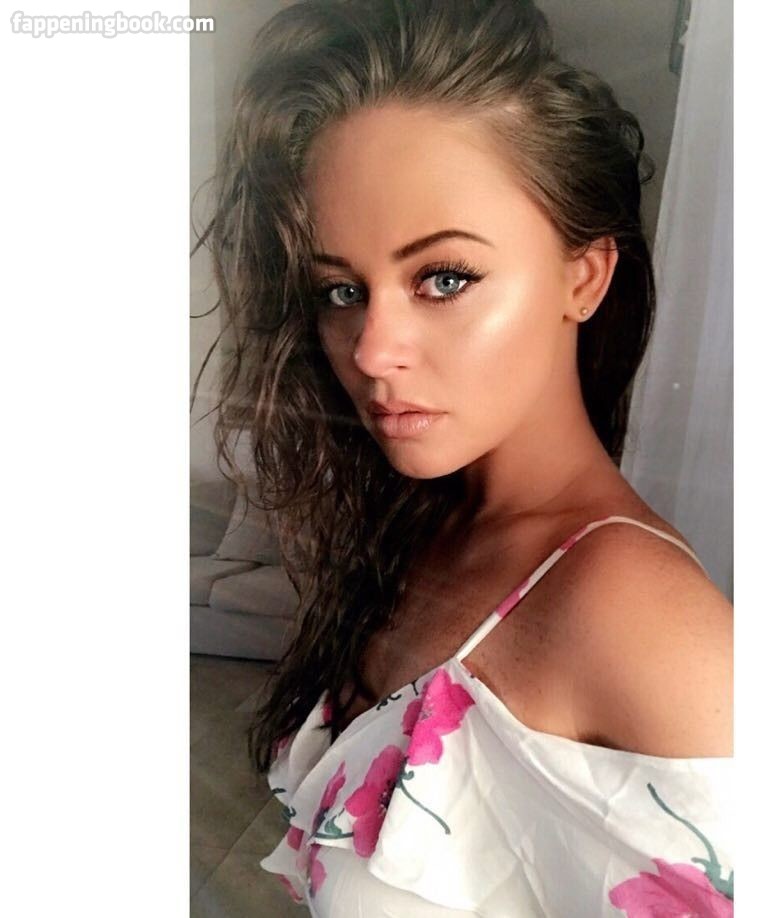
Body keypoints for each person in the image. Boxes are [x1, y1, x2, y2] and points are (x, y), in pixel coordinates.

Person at [193, 0, 733, 914]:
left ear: (584, 275)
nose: (371, 350)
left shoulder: (636, 615)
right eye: (340, 290)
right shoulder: (422, 522)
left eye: (444, 278)